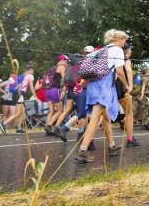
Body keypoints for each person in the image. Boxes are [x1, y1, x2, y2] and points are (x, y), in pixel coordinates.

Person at [74, 30, 129, 163]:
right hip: (104, 86)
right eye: (124, 40)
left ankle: (112, 146)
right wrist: (127, 86)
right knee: (95, 118)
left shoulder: (102, 50)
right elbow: (120, 71)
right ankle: (82, 150)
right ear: (118, 39)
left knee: (106, 117)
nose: (125, 43)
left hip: (93, 85)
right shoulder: (117, 50)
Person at [1, 65, 37, 134]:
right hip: (20, 95)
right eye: (33, 71)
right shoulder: (30, 76)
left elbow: (16, 86)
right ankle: (4, 124)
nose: (33, 72)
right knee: (18, 113)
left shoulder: (21, 75)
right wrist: (35, 96)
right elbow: (31, 87)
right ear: (31, 70)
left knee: (22, 113)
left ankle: (19, 129)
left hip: (16, 95)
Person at [117, 42, 140, 147]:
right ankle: (130, 139)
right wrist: (130, 86)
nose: (131, 51)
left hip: (112, 86)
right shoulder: (126, 59)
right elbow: (129, 71)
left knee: (103, 112)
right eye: (130, 49)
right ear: (126, 51)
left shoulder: (115, 58)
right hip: (122, 87)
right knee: (129, 113)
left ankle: (89, 139)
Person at [43, 55, 68, 136]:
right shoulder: (61, 67)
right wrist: (63, 89)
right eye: (66, 61)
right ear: (62, 60)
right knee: (60, 110)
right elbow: (64, 79)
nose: (66, 63)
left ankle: (47, 128)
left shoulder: (51, 68)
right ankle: (51, 126)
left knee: (51, 111)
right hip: (54, 90)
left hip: (47, 90)